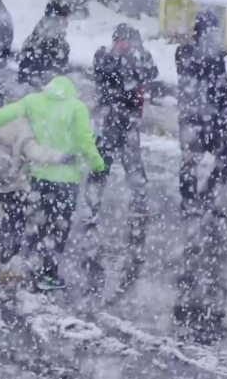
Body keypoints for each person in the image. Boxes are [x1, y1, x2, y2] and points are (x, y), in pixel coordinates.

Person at [0, 76, 105, 290]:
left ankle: (25, 264)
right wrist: (98, 165)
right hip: (66, 180)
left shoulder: (33, 101)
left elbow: (2, 115)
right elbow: (85, 140)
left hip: (38, 177)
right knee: (58, 229)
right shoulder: (77, 108)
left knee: (37, 224)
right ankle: (48, 274)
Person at [86, 23, 158, 300]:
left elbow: (149, 74)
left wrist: (136, 57)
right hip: (117, 121)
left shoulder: (119, 57)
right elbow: (141, 76)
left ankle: (111, 206)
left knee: (118, 166)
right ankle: (109, 206)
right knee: (115, 166)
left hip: (119, 121)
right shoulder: (111, 56)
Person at [0, 118, 74, 282]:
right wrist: (60, 157)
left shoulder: (1, 127)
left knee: (8, 220)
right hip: (18, 186)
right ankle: (6, 268)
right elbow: (36, 153)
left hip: (2, 186)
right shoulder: (24, 130)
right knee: (16, 227)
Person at [175, 10, 227, 218]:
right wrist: (213, 54)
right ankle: (189, 202)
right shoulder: (185, 53)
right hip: (192, 117)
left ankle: (208, 196)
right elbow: (199, 74)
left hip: (214, 119)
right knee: (191, 160)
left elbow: (223, 86)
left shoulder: (214, 56)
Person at [17, 0, 71, 87]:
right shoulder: (37, 44)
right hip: (40, 93)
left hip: (52, 91)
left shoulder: (60, 42)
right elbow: (30, 80)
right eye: (65, 17)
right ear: (55, 19)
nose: (67, 21)